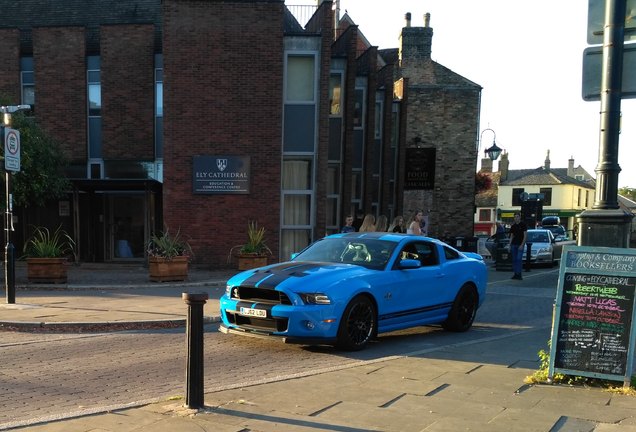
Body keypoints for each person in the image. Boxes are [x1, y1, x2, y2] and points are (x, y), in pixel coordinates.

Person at [509, 212, 527, 280]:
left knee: (519, 259)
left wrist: (522, 245)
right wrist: (509, 245)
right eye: (515, 217)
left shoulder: (523, 225)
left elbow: (525, 236)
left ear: (519, 217)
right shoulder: (513, 226)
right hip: (514, 244)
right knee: (514, 260)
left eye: (517, 217)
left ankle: (519, 274)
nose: (516, 218)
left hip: (520, 244)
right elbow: (511, 236)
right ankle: (515, 273)